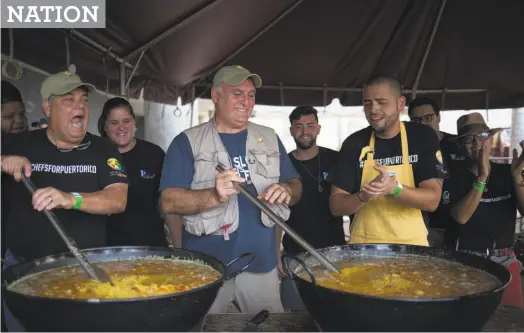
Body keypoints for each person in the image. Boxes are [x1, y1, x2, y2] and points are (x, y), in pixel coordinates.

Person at [160, 65, 302, 314]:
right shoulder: (187, 142)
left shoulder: (269, 137)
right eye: (237, 93)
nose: (246, 102)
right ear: (216, 96)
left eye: (250, 95)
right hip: (208, 268)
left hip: (262, 264)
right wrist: (213, 195)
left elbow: (296, 185)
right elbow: (169, 202)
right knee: (206, 327)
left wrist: (286, 189)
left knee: (269, 328)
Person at [1, 65, 129, 331]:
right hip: (24, 270)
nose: (78, 106)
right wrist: (3, 160)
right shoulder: (19, 143)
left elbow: (117, 199)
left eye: (83, 100)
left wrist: (71, 199)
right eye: (68, 100)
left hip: (84, 270)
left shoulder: (102, 148)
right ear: (47, 108)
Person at [330, 76, 442, 246]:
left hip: (411, 249)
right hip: (364, 248)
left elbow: (432, 200)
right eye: (368, 103)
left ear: (400, 103)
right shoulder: (354, 143)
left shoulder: (422, 137)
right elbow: (336, 206)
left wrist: (394, 189)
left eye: (381, 102)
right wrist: (363, 196)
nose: (373, 109)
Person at [449, 112, 524, 309]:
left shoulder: (508, 171)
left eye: (482, 136)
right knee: (470, 320)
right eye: (468, 139)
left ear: (490, 139)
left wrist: (518, 182)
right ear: (460, 146)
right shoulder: (452, 176)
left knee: (512, 319)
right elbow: (461, 217)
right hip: (468, 261)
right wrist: (482, 176)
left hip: (506, 259)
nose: (476, 143)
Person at [277, 105, 345, 311]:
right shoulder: (282, 164)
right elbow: (276, 213)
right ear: (291, 131)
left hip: (334, 253)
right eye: (298, 126)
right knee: (294, 315)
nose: (304, 131)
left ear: (318, 128)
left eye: (310, 125)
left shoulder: (336, 160)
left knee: (334, 313)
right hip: (295, 255)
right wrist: (275, 252)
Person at [98, 97, 169, 247]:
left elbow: (167, 203)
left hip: (151, 245)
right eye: (114, 122)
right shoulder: (96, 155)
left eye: (126, 121)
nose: (121, 127)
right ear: (105, 126)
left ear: (134, 122)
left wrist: (177, 243)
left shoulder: (154, 154)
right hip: (108, 247)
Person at [408, 97, 463, 247]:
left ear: (438, 117)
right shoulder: (406, 149)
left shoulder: (457, 144)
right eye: (416, 120)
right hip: (423, 226)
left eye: (427, 118)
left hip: (460, 223)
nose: (422, 123)